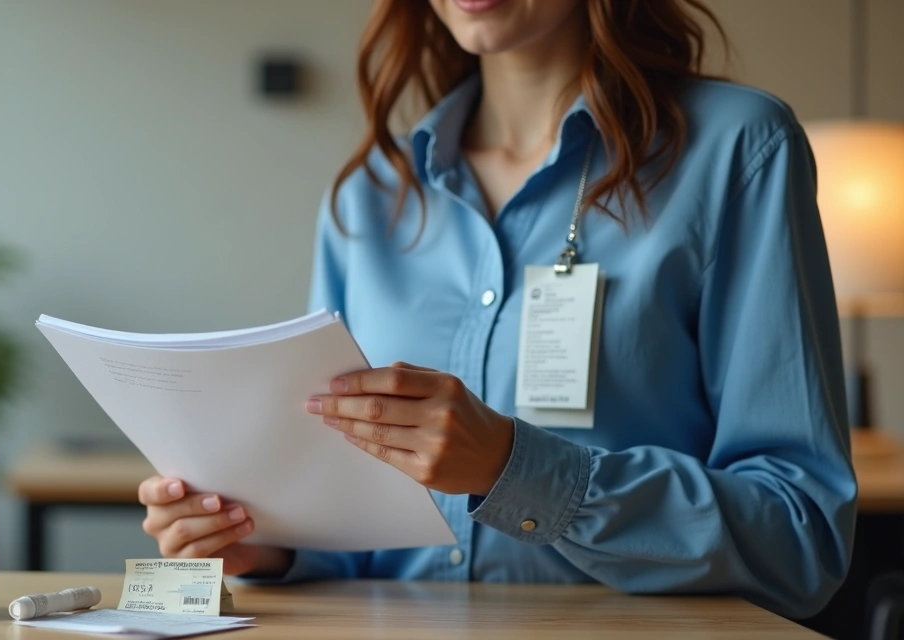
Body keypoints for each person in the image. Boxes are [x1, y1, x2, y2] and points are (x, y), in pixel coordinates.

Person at [137, 0, 856, 619]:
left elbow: (800, 540)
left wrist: (517, 469)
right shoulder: (370, 194)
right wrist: (264, 543)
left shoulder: (737, 149)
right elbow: (351, 520)